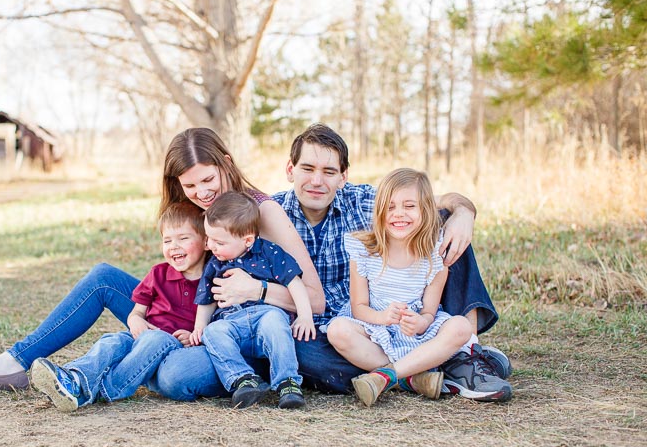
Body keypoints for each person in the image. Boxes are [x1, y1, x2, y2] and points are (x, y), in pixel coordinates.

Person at [0, 127, 325, 393]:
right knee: (104, 278)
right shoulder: (190, 210)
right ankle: (15, 363)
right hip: (182, 323)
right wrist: (142, 314)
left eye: (208, 180)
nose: (201, 193)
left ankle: (147, 366)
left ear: (226, 162)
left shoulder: (260, 212)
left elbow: (315, 298)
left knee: (175, 379)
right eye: (189, 186)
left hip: (235, 336)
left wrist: (256, 289)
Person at [152, 124, 513, 402]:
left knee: (446, 230)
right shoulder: (262, 215)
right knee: (306, 356)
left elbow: (435, 201)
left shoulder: (365, 201)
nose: (316, 180)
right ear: (289, 169)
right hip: (323, 331)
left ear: (343, 175)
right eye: (307, 168)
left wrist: (463, 212)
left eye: (328, 171)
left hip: (383, 315)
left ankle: (467, 355)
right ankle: (436, 363)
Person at [328, 168, 511, 406]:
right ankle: (413, 377)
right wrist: (382, 317)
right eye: (390, 207)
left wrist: (420, 323)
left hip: (414, 332)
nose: (399, 214)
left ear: (426, 210)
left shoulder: (435, 256)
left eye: (409, 206)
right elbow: (359, 306)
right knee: (337, 330)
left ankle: (388, 375)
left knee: (460, 327)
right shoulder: (364, 251)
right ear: (379, 210)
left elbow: (429, 311)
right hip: (375, 327)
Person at [27, 201, 206, 412]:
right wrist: (136, 321)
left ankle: (99, 391)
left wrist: (192, 337)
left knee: (156, 338)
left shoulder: (210, 281)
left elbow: (208, 325)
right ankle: (73, 378)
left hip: (172, 348)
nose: (174, 246)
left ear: (205, 241)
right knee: (112, 341)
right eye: (167, 240)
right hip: (142, 341)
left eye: (183, 238)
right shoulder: (158, 274)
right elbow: (137, 311)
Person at [189, 192, 315, 409]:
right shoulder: (216, 263)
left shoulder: (270, 252)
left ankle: (288, 383)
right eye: (209, 238)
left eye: (219, 241)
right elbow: (207, 298)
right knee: (213, 332)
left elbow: (295, 283)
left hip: (265, 315)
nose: (211, 246)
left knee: (276, 322)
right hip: (232, 321)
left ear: (247, 239)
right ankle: (244, 380)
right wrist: (199, 326)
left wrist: (305, 316)